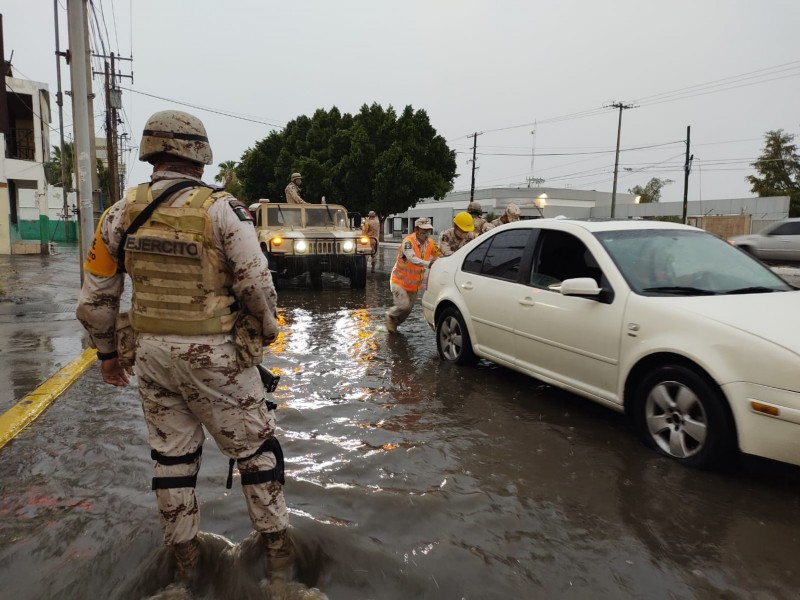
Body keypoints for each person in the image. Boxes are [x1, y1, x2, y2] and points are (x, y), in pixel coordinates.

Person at [75, 110, 305, 594]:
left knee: (172, 462)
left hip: (152, 358)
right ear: (199, 155)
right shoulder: (223, 209)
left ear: (151, 152)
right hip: (216, 356)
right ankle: (280, 571)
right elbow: (256, 283)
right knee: (258, 453)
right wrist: (265, 330)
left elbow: (95, 298)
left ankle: (184, 573)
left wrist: (106, 356)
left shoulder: (119, 212)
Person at [385, 217, 438, 333]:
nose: (426, 233)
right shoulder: (408, 242)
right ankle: (390, 315)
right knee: (403, 306)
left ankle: (394, 324)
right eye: (424, 230)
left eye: (428, 230)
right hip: (399, 282)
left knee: (407, 311)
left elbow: (438, 253)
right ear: (417, 229)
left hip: (414, 286)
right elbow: (412, 258)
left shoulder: (430, 243)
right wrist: (428, 264)